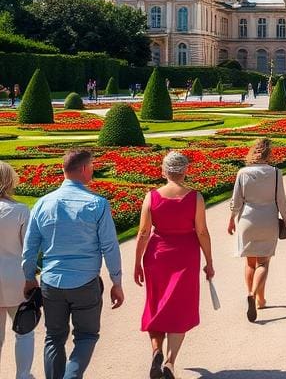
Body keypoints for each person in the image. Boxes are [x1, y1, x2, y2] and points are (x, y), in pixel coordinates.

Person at [22, 149, 124, 379]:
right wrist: (116, 282)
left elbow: (30, 248)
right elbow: (110, 247)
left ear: (63, 170)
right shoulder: (97, 204)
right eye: (93, 166)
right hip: (85, 282)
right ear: (84, 169)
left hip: (52, 282)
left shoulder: (42, 203)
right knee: (87, 336)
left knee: (53, 337)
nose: (94, 170)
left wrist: (29, 277)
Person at [134, 152, 214, 379]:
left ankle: (156, 351)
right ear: (185, 170)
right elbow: (202, 232)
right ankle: (169, 362)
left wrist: (137, 262)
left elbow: (142, 233)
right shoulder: (195, 197)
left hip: (157, 256)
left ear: (164, 170)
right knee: (180, 309)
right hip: (185, 257)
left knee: (156, 305)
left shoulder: (151, 197)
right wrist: (209, 261)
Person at [227, 138, 286, 323]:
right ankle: (256, 295)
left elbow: (236, 200)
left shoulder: (243, 173)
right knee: (263, 263)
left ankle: (256, 298)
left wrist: (231, 219)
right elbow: (281, 200)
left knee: (250, 263)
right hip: (268, 218)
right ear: (269, 154)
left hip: (247, 218)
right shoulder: (275, 173)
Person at [1, 160, 34, 379]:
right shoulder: (20, 210)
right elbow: (28, 250)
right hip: (15, 276)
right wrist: (32, 277)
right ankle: (23, 375)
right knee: (24, 331)